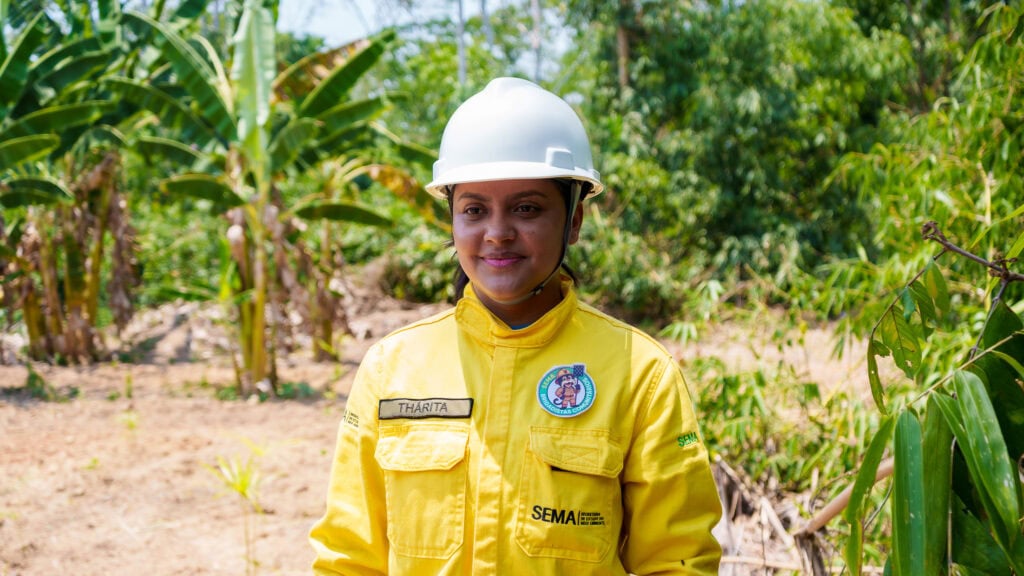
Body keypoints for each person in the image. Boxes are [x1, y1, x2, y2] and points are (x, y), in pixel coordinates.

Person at [309, 77, 722, 575]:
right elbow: (349, 558)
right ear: (453, 221)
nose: (498, 233)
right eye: (474, 210)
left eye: (527, 208)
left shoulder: (639, 374)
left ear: (574, 222)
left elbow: (677, 562)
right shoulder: (392, 368)